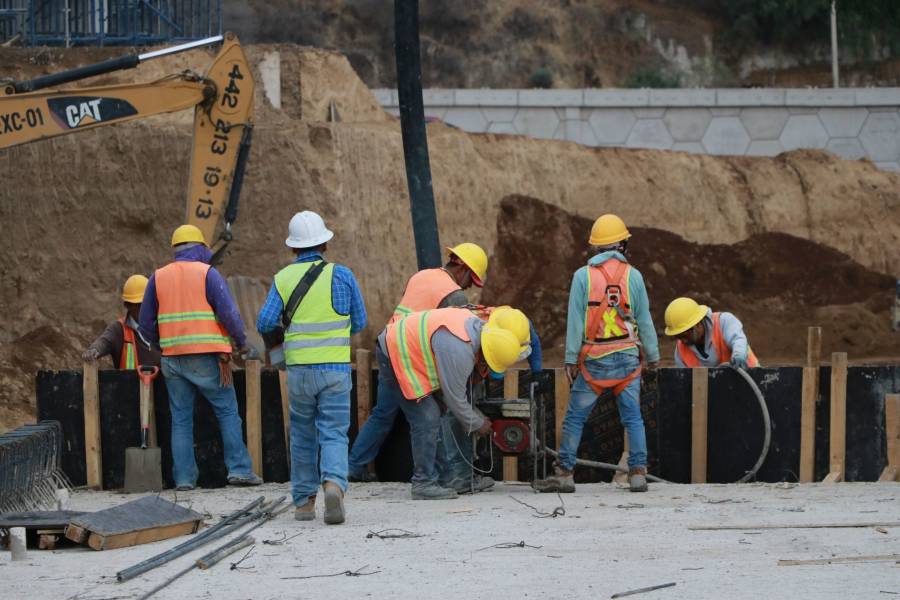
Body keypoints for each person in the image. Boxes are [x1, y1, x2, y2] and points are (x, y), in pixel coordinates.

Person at [535, 214, 659, 494]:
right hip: (628, 360)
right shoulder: (634, 276)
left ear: (596, 248)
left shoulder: (582, 277)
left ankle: (565, 474)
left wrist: (569, 358)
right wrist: (652, 357)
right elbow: (645, 320)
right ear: (622, 245)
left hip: (595, 362)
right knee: (633, 419)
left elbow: (575, 321)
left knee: (575, 418)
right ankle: (638, 474)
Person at [257, 211, 367, 524]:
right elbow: (359, 321)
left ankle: (304, 503)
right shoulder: (343, 275)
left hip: (299, 373)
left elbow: (265, 321)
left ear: (293, 248)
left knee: (303, 435)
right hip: (334, 370)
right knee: (333, 432)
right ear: (325, 245)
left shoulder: (282, 278)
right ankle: (333, 485)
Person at [348, 243, 488, 482]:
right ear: (463, 268)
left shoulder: (423, 275)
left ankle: (354, 467)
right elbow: (454, 334)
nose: (468, 286)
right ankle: (447, 476)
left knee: (383, 413)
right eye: (470, 280)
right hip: (410, 358)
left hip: (391, 344)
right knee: (435, 415)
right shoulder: (455, 295)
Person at [139, 224, 261, 491]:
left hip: (172, 358)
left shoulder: (157, 277)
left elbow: (145, 325)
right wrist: (240, 343)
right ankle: (239, 470)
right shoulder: (208, 274)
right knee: (227, 411)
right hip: (207, 358)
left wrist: (163, 345)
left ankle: (184, 479)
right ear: (201, 248)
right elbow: (229, 315)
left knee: (180, 419)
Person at [373, 306, 525, 500]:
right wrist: (478, 424)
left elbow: (449, 394)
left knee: (437, 412)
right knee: (426, 418)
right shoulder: (460, 349)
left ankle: (446, 478)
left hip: (410, 350)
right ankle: (423, 483)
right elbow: (455, 399)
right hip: (395, 352)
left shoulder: (476, 329)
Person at [436, 306, 541, 493]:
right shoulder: (474, 331)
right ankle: (458, 476)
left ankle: (466, 474)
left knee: (465, 412)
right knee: (455, 415)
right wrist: (476, 422)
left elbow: (534, 343)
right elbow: (456, 399)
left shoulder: (520, 324)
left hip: (474, 359)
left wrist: (538, 373)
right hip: (458, 363)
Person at [82, 274, 160, 369]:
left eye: (144, 304)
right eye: (137, 305)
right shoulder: (119, 330)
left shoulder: (161, 326)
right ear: (127, 305)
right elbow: (104, 342)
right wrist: (94, 350)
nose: (142, 309)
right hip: (129, 383)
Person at [664, 297, 759, 369]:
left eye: (685, 335)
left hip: (750, 378)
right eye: (678, 336)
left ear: (697, 324)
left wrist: (738, 355)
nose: (683, 341)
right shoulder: (681, 350)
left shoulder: (724, 322)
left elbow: (738, 340)